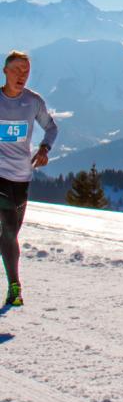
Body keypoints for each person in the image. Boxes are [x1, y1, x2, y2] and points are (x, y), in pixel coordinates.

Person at [0, 51, 57, 307]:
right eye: (17, 69)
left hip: (22, 176)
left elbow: (52, 127)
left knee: (11, 233)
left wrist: (45, 148)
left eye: (26, 70)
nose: (22, 74)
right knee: (9, 230)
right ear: (5, 71)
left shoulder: (33, 102)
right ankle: (15, 286)